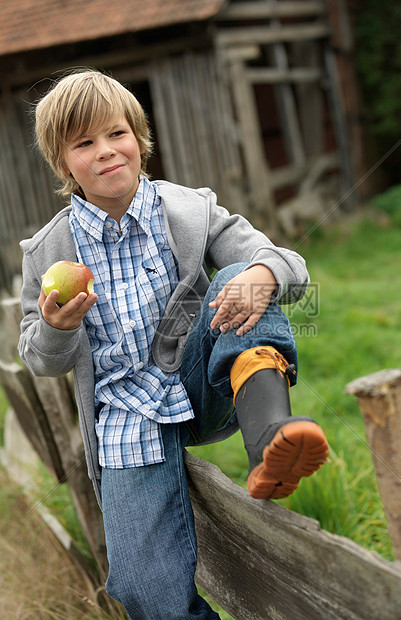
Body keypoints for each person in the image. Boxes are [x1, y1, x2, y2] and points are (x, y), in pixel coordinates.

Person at [18, 69, 329, 620]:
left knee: (244, 272)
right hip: (125, 415)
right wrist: (57, 326)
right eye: (84, 143)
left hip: (198, 380)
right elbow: (40, 359)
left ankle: (269, 441)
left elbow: (292, 265)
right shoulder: (48, 253)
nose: (107, 152)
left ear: (139, 138)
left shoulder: (190, 210)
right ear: (63, 163)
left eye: (116, 134)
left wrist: (264, 272)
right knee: (143, 590)